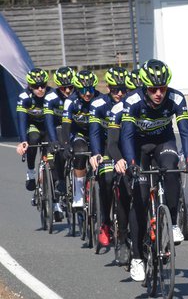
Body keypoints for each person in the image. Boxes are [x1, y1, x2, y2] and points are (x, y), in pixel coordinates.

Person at [120, 59, 188, 282]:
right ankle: (137, 257)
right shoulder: (132, 100)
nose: (158, 94)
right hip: (139, 147)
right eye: (153, 89)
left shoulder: (176, 98)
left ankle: (172, 223)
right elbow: (125, 135)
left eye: (162, 88)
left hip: (164, 143)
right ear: (144, 87)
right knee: (141, 198)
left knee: (172, 169)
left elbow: (185, 132)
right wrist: (132, 163)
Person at [89, 67, 131, 254]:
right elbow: (95, 132)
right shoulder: (98, 104)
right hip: (107, 146)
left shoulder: (129, 104)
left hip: (126, 146)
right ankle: (105, 222)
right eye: (115, 89)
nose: (120, 93)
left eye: (123, 89)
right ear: (107, 87)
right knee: (106, 180)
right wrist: (96, 153)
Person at [61, 70, 101, 208]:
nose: (88, 93)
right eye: (84, 90)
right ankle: (79, 192)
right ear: (77, 89)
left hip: (96, 134)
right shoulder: (70, 101)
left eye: (90, 89)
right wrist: (66, 145)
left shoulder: (100, 100)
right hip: (78, 134)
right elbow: (65, 125)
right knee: (80, 151)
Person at [44, 66, 77, 221]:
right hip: (56, 128)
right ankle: (60, 182)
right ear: (58, 86)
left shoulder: (78, 96)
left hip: (73, 128)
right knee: (56, 151)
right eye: (64, 88)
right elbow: (49, 122)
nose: (68, 90)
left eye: (71, 87)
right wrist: (54, 142)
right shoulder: (51, 98)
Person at [16, 68, 54, 192]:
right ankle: (31, 171)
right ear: (29, 86)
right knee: (33, 138)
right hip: (32, 125)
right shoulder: (24, 97)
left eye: (43, 85)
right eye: (36, 86)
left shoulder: (52, 94)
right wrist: (23, 141)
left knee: (51, 151)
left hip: (48, 126)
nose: (40, 89)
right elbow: (21, 121)